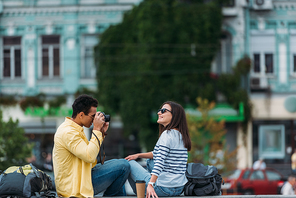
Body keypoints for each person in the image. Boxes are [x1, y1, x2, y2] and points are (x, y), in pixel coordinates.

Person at [53, 94, 130, 197]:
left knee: (119, 166)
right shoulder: (68, 132)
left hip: (82, 178)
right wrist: (97, 130)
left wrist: (101, 134)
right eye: (93, 116)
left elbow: (89, 155)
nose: (94, 120)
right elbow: (89, 156)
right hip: (75, 187)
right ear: (81, 115)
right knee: (123, 166)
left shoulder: (75, 129)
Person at [125, 101, 191, 198]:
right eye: (159, 110)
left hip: (162, 189)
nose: (159, 113)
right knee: (150, 160)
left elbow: (159, 162)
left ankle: (142, 191)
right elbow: (157, 153)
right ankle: (147, 186)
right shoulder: (181, 135)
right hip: (179, 188)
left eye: (163, 111)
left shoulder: (167, 135)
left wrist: (151, 184)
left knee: (129, 163)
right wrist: (138, 155)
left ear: (174, 115)